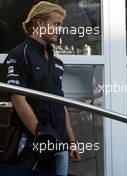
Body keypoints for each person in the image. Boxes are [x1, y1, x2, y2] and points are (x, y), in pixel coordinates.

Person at [4, 1, 80, 175]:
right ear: (39, 23)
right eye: (56, 24)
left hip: (59, 142)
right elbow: (18, 98)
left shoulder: (56, 61)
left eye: (60, 25)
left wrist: (72, 140)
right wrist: (41, 136)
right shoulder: (19, 54)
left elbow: (61, 102)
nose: (59, 30)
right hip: (33, 140)